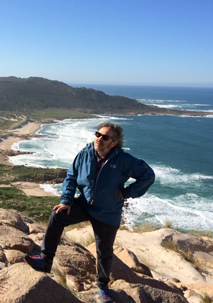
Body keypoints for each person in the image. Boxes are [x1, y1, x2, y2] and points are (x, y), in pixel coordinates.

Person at [24, 122, 155, 302]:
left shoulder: (124, 160)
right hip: (85, 204)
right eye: (98, 134)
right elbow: (71, 177)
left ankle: (102, 286)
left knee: (104, 252)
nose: (99, 139)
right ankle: (45, 260)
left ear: (114, 143)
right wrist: (67, 200)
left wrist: (126, 193)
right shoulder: (85, 153)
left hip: (108, 212)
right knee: (58, 215)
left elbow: (148, 175)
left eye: (105, 137)